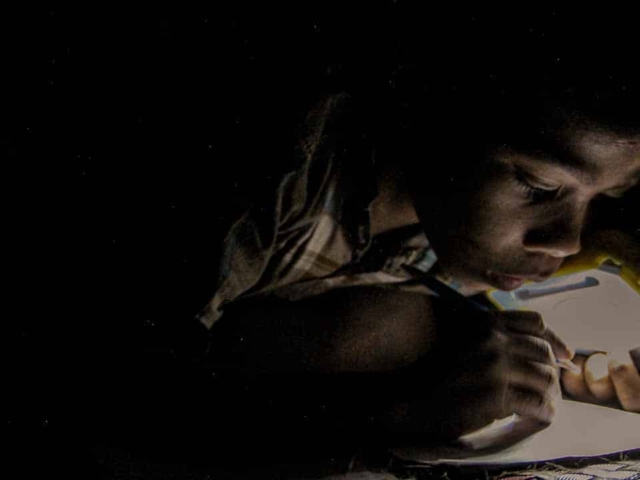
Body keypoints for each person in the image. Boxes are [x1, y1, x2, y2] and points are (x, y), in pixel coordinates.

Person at [180, 26, 640, 475]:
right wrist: (386, 423)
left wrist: (556, 374)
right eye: (538, 186)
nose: (567, 242)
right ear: (441, 112)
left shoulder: (450, 236)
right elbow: (130, 404)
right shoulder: (276, 184)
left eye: (604, 197)